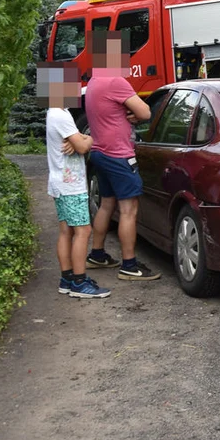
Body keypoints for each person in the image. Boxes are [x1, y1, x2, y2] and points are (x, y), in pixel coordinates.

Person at [84, 31, 159, 281]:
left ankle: (97, 254)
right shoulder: (116, 81)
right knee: (129, 209)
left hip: (100, 153)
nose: (127, 59)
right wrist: (136, 114)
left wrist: (129, 113)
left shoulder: (95, 80)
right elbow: (146, 113)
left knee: (107, 204)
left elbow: (112, 111)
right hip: (118, 155)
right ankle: (129, 265)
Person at [39, 63, 110, 299]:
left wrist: (81, 139)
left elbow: (78, 143)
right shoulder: (62, 114)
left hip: (59, 183)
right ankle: (80, 282)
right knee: (83, 230)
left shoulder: (52, 112)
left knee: (66, 232)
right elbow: (82, 145)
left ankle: (67, 278)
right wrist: (86, 139)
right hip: (72, 185)